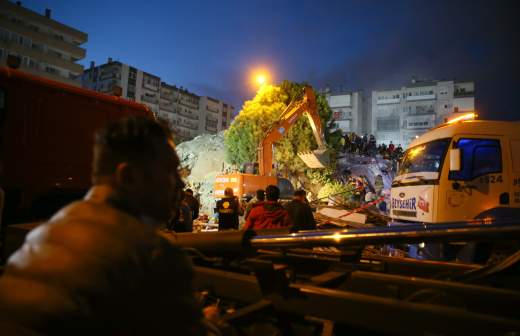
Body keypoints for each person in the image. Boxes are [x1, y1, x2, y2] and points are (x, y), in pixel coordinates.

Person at [0, 117, 205, 335]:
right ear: (129, 177)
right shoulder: (153, 256)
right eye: (170, 171)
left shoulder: (45, 232)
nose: (180, 183)